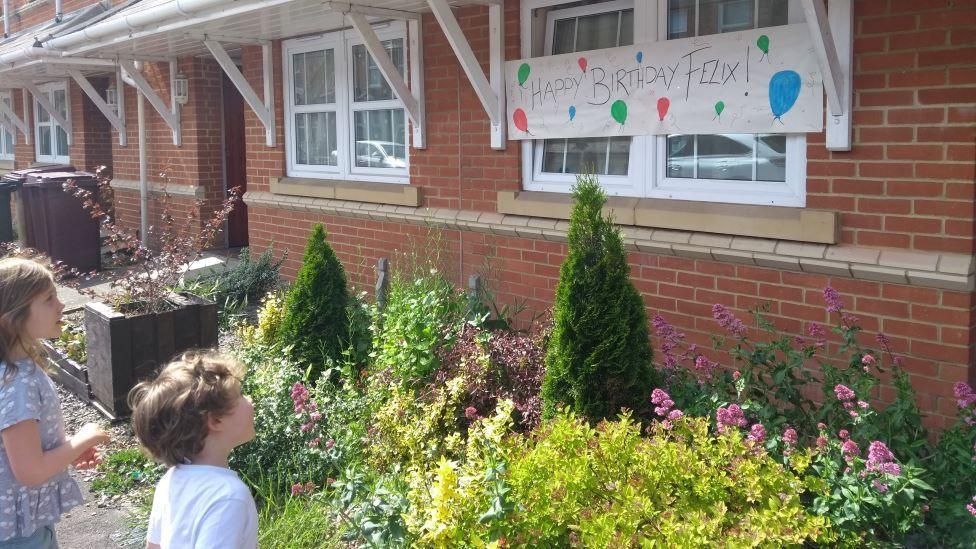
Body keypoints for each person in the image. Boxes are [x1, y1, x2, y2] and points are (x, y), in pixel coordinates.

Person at [0, 257, 110, 548]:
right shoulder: (18, 383)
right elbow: (31, 471)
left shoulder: (14, 369)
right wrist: (84, 439)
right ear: (12, 317)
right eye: (49, 299)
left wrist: (65, 447)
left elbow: (17, 447)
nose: (61, 305)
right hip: (18, 536)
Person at [129, 351, 257, 549]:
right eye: (240, 395)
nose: (250, 400)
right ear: (215, 420)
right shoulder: (229, 497)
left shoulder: (171, 480)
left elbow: (153, 546)